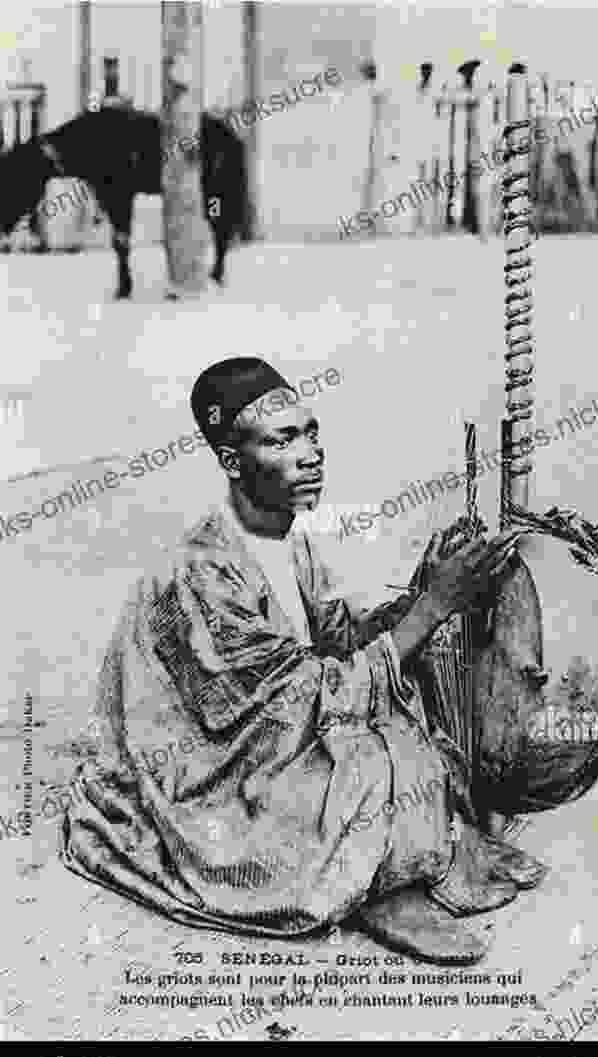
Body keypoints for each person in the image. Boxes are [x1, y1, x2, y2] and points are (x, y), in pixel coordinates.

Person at [61, 357, 547, 964]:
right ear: (233, 463)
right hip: (206, 776)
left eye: (311, 432)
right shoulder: (200, 571)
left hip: (268, 735)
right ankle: (379, 888)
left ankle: (429, 853)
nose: (311, 453)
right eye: (282, 439)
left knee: (405, 712)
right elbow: (299, 700)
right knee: (367, 755)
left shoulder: (291, 542)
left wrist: (425, 593)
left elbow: (339, 642)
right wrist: (431, 607)